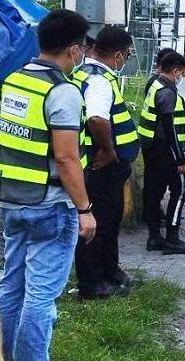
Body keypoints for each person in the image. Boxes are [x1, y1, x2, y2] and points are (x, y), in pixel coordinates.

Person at [0, 9, 97, 359]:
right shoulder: (62, 92)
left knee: (11, 288)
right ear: (73, 50)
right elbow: (68, 159)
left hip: (12, 201)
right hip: (51, 207)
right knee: (40, 296)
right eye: (83, 48)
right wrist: (84, 210)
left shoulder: (14, 81)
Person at [72, 26, 139, 298]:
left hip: (105, 166)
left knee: (110, 221)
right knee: (100, 223)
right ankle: (93, 283)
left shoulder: (84, 74)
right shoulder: (99, 81)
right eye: (128, 54)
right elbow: (97, 119)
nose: (127, 59)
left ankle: (111, 273)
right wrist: (109, 150)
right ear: (118, 55)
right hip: (103, 166)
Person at [137, 52, 185, 254]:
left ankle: (154, 237)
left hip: (151, 150)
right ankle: (172, 238)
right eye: (181, 73)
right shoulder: (167, 93)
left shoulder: (155, 84)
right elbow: (169, 129)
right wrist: (180, 158)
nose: (181, 76)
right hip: (167, 151)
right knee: (180, 191)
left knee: (153, 192)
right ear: (174, 71)